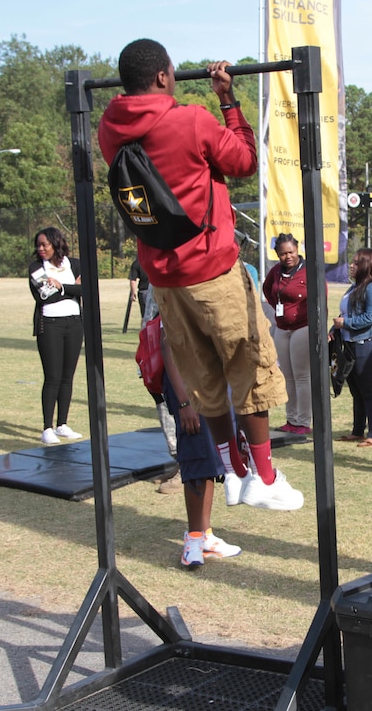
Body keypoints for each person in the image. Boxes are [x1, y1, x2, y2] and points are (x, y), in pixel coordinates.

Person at [98, 38, 301, 510]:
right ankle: (265, 478)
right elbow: (245, 162)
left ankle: (233, 469)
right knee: (248, 365)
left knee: (202, 375)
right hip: (211, 268)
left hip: (164, 278)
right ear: (165, 77)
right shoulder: (189, 119)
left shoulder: (111, 130)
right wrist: (227, 100)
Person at [160, 318, 243, 568]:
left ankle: (204, 534)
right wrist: (184, 402)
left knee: (211, 458)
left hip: (215, 379)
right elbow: (168, 345)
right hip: (189, 384)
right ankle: (193, 541)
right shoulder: (178, 288)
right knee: (197, 455)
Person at [29, 227, 84, 444]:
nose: (41, 249)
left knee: (67, 376)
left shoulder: (75, 264)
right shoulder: (36, 268)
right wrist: (71, 289)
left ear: (56, 244)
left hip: (74, 323)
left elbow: (87, 290)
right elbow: (44, 297)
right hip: (50, 325)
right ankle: (47, 427)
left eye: (45, 244)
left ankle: (62, 424)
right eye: (39, 245)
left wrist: (61, 286)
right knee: (52, 377)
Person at [333, 248, 372, 447]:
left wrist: (345, 324)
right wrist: (335, 328)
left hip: (367, 345)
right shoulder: (355, 286)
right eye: (352, 262)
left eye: (356, 263)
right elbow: (346, 313)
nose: (351, 265)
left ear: (367, 265)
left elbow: (371, 317)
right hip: (350, 346)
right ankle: (358, 431)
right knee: (356, 392)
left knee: (367, 391)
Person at [263, 233, 311, 435]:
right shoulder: (275, 272)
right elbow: (268, 290)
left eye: (291, 252)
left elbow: (321, 297)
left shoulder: (308, 270)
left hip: (303, 327)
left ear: (297, 249)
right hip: (282, 328)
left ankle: (303, 421)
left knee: (301, 376)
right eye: (283, 254)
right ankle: (291, 419)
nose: (288, 257)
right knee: (287, 377)